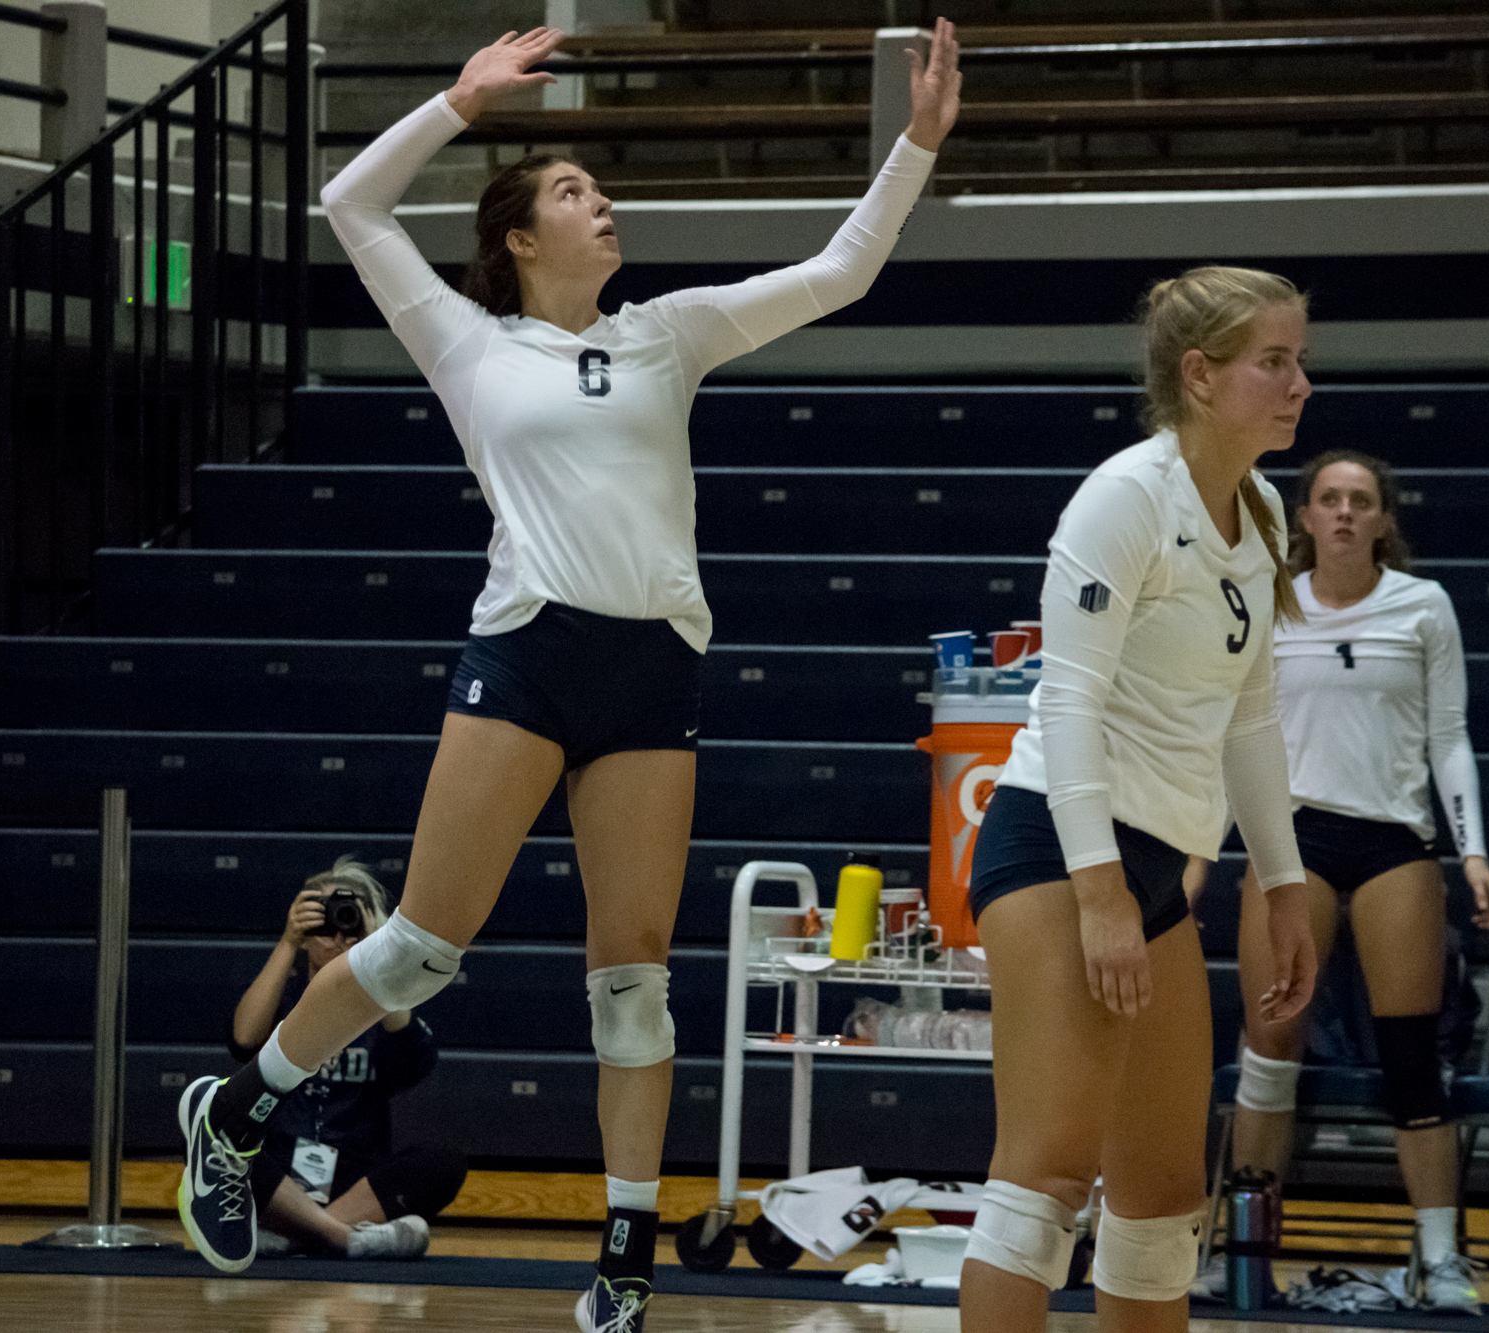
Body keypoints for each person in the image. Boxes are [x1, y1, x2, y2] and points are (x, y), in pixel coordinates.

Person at [173, 21, 964, 1332]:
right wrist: (457, 101)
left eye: (602, 190)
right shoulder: (464, 341)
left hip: (654, 665)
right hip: (528, 650)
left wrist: (916, 143)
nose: (605, 205)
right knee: (423, 946)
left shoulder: (669, 333)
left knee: (634, 976)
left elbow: (842, 268)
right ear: (518, 238)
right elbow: (348, 202)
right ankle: (241, 1108)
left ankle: (624, 1253)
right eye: (574, 192)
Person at [958, 266, 1320, 1333]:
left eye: (1298, 360)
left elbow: (1248, 716)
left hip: (1156, 864)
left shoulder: (1255, 516)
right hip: (1061, 849)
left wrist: (1284, 886)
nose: (1299, 382)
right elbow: (1065, 700)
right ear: (1200, 376)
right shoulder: (1125, 495)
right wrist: (1099, 892)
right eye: (1275, 360)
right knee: (1043, 1182)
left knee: (1162, 1195)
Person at [1209, 449, 1489, 1315]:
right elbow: (1230, 732)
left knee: (1413, 1060)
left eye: (1361, 500)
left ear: (1384, 520)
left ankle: (1444, 1260)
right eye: (1329, 499)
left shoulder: (1423, 606)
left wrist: (1475, 850)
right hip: (1289, 838)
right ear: (1303, 516)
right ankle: (1246, 1252)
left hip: (1394, 842)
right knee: (1269, 1054)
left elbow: (1449, 737)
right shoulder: (1266, 601)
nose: (1343, 512)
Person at [227, 856, 467, 1260]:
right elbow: (244, 1038)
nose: (340, 934)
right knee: (215, 1134)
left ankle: (304, 1238)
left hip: (356, 1187)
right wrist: (288, 941)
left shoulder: (380, 1007)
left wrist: (381, 954)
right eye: (326, 921)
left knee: (443, 1162)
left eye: (351, 919)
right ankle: (343, 1238)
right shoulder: (284, 997)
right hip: (280, 1184)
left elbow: (417, 1061)